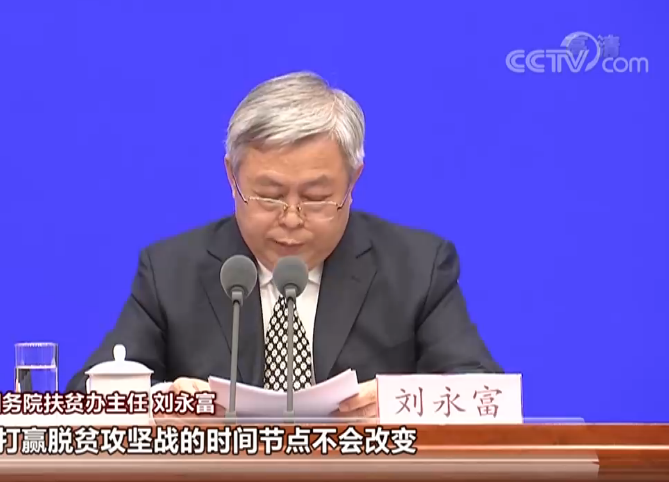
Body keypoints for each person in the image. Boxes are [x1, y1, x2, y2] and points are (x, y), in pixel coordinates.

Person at [66, 71, 501, 418]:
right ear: (232, 176)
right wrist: (161, 404)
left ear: (353, 180)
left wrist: (401, 403)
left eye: (316, 197)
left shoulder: (417, 267)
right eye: (269, 196)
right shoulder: (171, 271)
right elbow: (86, 397)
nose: (291, 218)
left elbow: (486, 394)